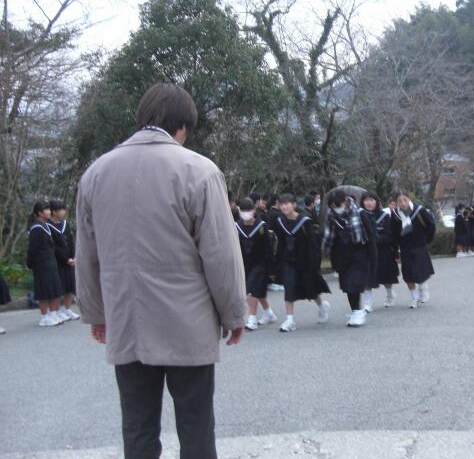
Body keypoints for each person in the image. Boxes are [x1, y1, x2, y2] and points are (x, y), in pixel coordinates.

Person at [76, 83, 248, 459]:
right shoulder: (199, 171)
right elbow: (220, 254)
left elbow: (87, 253)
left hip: (128, 319)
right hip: (188, 324)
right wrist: (234, 313)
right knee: (196, 427)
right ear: (183, 127)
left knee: (137, 427)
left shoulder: (96, 174)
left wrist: (96, 313)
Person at [274, 193, 331, 332]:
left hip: (305, 262)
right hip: (289, 261)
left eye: (287, 203)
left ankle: (322, 306)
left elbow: (312, 244)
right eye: (281, 204)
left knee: (310, 289)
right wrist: (278, 264)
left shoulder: (305, 221)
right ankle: (290, 320)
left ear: (294, 205)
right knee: (289, 289)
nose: (284, 206)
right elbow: (280, 244)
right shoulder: (280, 222)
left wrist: (314, 264)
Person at [323, 191, 377, 327]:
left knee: (355, 283)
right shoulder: (331, 216)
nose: (336, 208)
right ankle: (355, 311)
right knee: (347, 285)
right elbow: (330, 237)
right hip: (341, 255)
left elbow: (370, 236)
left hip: (359, 254)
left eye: (338, 205)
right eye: (333, 206)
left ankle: (358, 311)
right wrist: (331, 257)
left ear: (345, 201)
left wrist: (373, 256)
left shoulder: (359, 213)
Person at [236, 198, 277, 331]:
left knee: (252, 290)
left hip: (260, 264)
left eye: (248, 210)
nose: (246, 213)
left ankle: (252, 319)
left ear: (254, 210)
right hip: (244, 265)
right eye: (243, 210)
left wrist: (271, 269)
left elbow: (268, 248)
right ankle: (269, 313)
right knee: (258, 292)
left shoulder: (261, 226)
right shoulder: (237, 227)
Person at [394, 191, 436, 308]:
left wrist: (426, 240)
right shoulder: (395, 215)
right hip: (404, 248)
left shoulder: (419, 210)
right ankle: (414, 298)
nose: (402, 203)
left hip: (419, 245)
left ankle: (423, 289)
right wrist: (395, 250)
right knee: (407, 274)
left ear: (409, 199)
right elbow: (394, 234)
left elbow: (431, 225)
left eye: (405, 200)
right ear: (396, 202)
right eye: (400, 201)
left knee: (419, 270)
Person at [27, 201, 65, 327]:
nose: (49, 212)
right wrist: (30, 263)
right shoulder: (36, 228)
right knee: (44, 291)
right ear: (39, 213)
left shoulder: (46, 225)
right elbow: (32, 249)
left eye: (49, 209)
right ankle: (44, 316)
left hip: (51, 263)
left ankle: (53, 313)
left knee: (54, 289)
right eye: (46, 210)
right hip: (41, 265)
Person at [361, 192, 401, 308]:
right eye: (366, 200)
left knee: (386, 278)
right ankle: (367, 304)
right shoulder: (359, 216)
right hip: (366, 252)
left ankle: (389, 295)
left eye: (372, 200)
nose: (369, 203)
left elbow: (390, 236)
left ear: (377, 202)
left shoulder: (384, 216)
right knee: (366, 278)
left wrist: (375, 240)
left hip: (383, 252)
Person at [48, 200, 80, 322]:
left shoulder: (65, 223)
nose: (64, 211)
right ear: (54, 212)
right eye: (61, 209)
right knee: (59, 287)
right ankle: (57, 310)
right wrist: (65, 259)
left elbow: (70, 241)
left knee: (70, 285)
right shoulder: (48, 226)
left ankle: (67, 309)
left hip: (70, 260)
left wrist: (73, 256)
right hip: (58, 262)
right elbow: (54, 246)